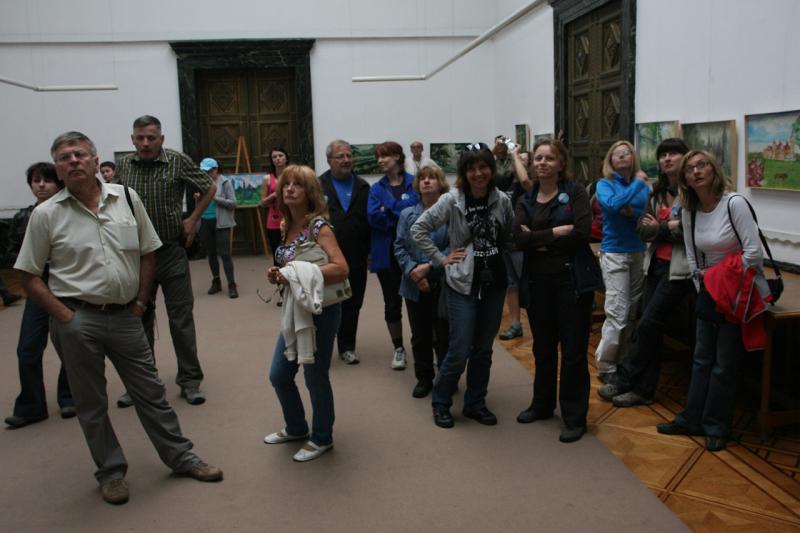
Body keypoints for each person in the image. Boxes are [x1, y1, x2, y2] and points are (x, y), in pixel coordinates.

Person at [14, 131, 222, 505]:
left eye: (80, 154)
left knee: (151, 392)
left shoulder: (126, 198)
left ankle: (181, 457)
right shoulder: (46, 215)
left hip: (127, 316)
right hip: (77, 320)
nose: (73, 161)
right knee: (91, 402)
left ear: (96, 162)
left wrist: (140, 303)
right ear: (58, 170)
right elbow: (28, 276)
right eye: (64, 157)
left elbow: (148, 251)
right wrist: (65, 316)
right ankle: (110, 472)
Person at [657, 151, 769, 452]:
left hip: (736, 293)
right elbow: (692, 255)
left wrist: (717, 278)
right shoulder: (691, 210)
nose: (696, 171)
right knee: (701, 357)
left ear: (714, 170)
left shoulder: (734, 204)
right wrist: (703, 286)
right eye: (690, 168)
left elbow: (753, 254)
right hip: (709, 291)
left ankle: (717, 425)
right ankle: (691, 418)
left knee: (723, 363)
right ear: (685, 178)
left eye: (702, 165)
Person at [411, 143, 514, 429]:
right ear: (464, 173)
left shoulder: (502, 200)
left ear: (491, 169)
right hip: (462, 284)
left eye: (483, 167)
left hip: (494, 283)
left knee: (483, 349)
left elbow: (508, 234)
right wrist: (441, 259)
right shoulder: (452, 200)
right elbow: (418, 229)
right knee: (459, 349)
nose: (478, 173)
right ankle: (441, 401)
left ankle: (475, 403)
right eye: (471, 169)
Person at [115, 115, 215, 407]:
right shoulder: (123, 166)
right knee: (139, 318)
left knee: (181, 318)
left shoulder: (177, 161)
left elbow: (209, 187)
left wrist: (193, 218)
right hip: (136, 255)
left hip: (171, 251)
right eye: (140, 138)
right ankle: (141, 383)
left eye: (151, 138)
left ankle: (190, 381)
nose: (146, 143)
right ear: (133, 140)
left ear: (161, 139)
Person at [598, 138, 693, 407]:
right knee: (632, 318)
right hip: (648, 261)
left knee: (645, 323)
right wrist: (667, 226)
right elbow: (642, 227)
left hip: (677, 268)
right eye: (663, 155)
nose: (667, 159)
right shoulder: (656, 191)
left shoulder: (692, 192)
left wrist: (659, 227)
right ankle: (623, 376)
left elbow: (690, 232)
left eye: (673, 154)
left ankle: (628, 380)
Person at [264, 165, 349, 462]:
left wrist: (296, 273)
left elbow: (341, 268)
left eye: (297, 184)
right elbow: (293, 267)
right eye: (286, 184)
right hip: (296, 309)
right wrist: (280, 274)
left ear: (310, 192)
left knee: (315, 375)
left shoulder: (319, 227)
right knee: (279, 374)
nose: (289, 189)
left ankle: (322, 437)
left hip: (322, 310)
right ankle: (297, 427)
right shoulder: (286, 225)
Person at [513, 139, 594, 443]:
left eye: (549, 158)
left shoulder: (576, 192)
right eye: (538, 158)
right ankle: (542, 404)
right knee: (543, 348)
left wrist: (537, 238)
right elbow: (517, 238)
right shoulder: (526, 197)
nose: (543, 163)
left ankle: (574, 416)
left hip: (571, 281)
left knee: (573, 351)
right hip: (538, 283)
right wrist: (557, 232)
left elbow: (582, 233)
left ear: (561, 163)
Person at [4, 162, 75, 429]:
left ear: (59, 184)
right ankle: (31, 406)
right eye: (36, 181)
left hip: (67, 285)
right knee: (28, 348)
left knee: (71, 344)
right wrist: (31, 261)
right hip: (36, 286)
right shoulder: (23, 217)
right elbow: (11, 252)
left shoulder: (70, 213)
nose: (42, 185)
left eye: (47, 180)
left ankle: (70, 397)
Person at [594, 140, 650, 382]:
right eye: (618, 154)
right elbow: (613, 205)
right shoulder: (604, 184)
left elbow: (643, 213)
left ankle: (624, 361)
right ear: (611, 160)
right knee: (617, 311)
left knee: (631, 312)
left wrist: (630, 210)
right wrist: (637, 184)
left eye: (627, 153)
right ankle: (606, 366)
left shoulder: (641, 186)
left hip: (638, 251)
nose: (623, 156)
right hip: (615, 253)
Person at [394, 165, 450, 398]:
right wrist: (414, 272)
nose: (427, 181)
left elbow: (454, 247)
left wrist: (430, 267)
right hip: (413, 282)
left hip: (443, 281)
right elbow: (399, 247)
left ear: (440, 183)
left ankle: (446, 377)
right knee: (420, 334)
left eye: (432, 178)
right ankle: (424, 378)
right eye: (423, 178)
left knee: (444, 334)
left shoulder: (450, 212)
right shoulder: (407, 214)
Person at [318, 140, 371, 365]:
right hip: (326, 257)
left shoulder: (363, 186)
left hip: (357, 255)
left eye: (349, 155)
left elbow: (369, 222)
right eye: (340, 156)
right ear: (329, 160)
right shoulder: (317, 186)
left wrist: (370, 252)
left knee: (353, 303)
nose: (346, 160)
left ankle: (347, 347)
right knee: (326, 302)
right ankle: (322, 347)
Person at [368, 141, 419, 370]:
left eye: (384, 156)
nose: (380, 161)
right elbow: (373, 217)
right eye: (378, 157)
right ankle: (399, 348)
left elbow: (415, 214)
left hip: (412, 250)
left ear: (397, 157)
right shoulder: (375, 188)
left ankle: (422, 345)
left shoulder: (414, 183)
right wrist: (399, 212)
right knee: (391, 303)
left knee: (417, 302)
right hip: (386, 252)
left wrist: (387, 206)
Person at [498, 147, 534, 341]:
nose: (517, 160)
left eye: (522, 159)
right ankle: (515, 324)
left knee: (527, 283)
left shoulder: (530, 185)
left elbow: (525, 181)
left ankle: (539, 323)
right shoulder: (506, 182)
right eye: (516, 158)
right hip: (506, 242)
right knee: (511, 284)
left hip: (522, 244)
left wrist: (514, 154)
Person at [198, 158, 238, 298]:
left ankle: (231, 284)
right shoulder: (201, 183)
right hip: (205, 221)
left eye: (209, 171)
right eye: (204, 171)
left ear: (216, 169)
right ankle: (216, 281)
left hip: (221, 222)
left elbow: (233, 203)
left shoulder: (225, 182)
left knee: (225, 254)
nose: (207, 174)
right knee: (211, 253)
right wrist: (198, 197)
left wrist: (215, 198)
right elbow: (200, 204)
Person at [260, 147, 289, 266]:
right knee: (277, 254)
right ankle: (278, 276)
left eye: (280, 155)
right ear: (271, 160)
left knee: (293, 253)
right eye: (274, 157)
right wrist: (273, 195)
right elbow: (263, 203)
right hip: (274, 221)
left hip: (292, 219)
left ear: (286, 158)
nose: (278, 159)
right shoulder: (267, 178)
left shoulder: (294, 175)